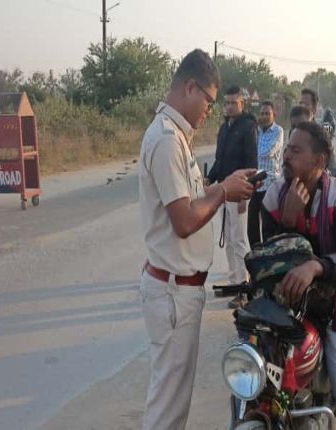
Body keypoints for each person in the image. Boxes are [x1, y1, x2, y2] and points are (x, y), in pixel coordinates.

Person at [138, 49, 256, 430]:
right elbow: (185, 220)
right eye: (208, 100)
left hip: (178, 289)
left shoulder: (176, 136)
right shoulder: (166, 140)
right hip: (174, 291)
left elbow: (190, 196)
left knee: (170, 399)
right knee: (168, 409)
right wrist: (223, 192)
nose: (210, 110)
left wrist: (219, 185)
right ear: (190, 87)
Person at [261, 121, 336, 430]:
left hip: (329, 306)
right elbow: (264, 257)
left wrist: (315, 266)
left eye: (296, 151)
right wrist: (288, 220)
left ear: (319, 161)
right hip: (282, 306)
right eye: (287, 149)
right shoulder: (273, 196)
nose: (286, 156)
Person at [206, 85, 258, 309]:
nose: (228, 107)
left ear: (241, 104)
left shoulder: (248, 127)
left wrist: (246, 195)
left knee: (238, 240)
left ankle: (244, 288)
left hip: (239, 193)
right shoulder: (225, 128)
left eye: (233, 103)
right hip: (224, 191)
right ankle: (234, 281)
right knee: (228, 239)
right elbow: (220, 161)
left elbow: (252, 163)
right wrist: (209, 179)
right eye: (226, 103)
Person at [248, 101, 284, 247]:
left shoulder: (278, 131)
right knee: (252, 225)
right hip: (255, 184)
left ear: (274, 115)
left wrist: (251, 148)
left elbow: (266, 152)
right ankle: (256, 254)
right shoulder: (256, 131)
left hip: (270, 183)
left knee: (268, 226)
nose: (264, 116)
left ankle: (269, 254)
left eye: (267, 113)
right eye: (262, 113)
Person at [298, 90, 336, 188]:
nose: (302, 107)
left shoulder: (321, 135)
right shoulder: (293, 133)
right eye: (300, 104)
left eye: (306, 104)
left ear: (314, 109)